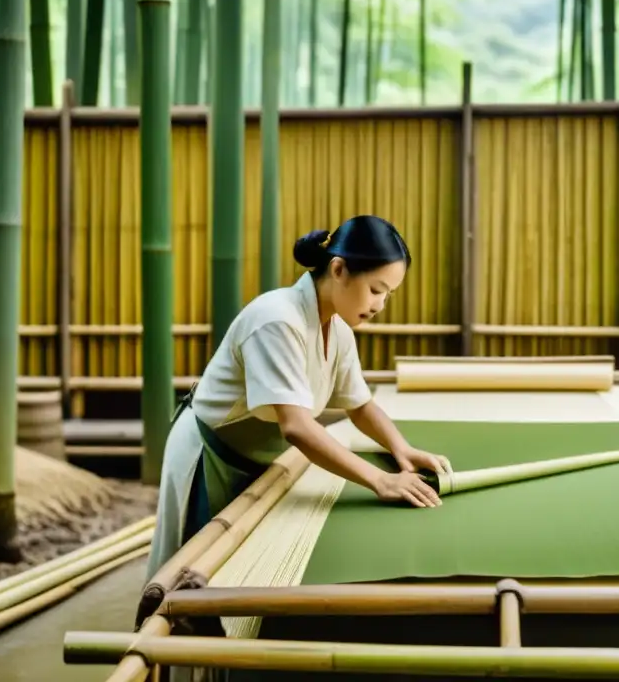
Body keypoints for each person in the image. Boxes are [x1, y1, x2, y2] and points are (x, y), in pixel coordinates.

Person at [144, 214, 452, 581]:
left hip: (255, 459)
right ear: (339, 269)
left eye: (388, 294)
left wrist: (401, 448)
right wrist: (380, 481)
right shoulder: (277, 319)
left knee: (234, 571)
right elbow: (296, 427)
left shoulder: (337, 330)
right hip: (209, 458)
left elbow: (360, 405)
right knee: (187, 575)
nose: (380, 304)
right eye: (375, 289)